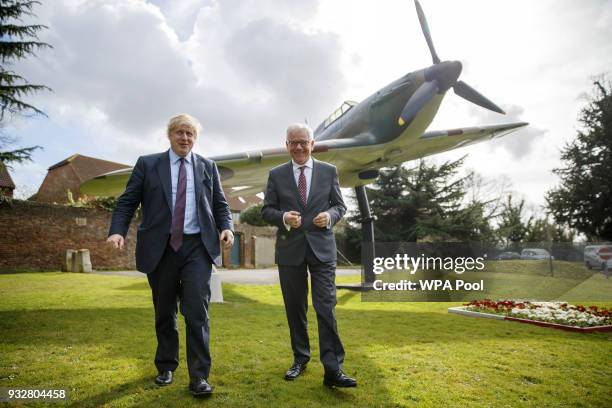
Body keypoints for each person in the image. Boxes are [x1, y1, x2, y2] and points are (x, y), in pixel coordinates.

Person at [107, 114, 233, 397]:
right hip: (161, 249)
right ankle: (166, 365)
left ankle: (199, 376)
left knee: (197, 312)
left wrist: (227, 227)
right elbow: (127, 201)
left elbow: (220, 204)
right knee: (165, 312)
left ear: (195, 138)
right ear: (170, 135)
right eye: (180, 132)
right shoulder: (148, 164)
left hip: (197, 248)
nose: (185, 138)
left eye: (190, 134)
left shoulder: (207, 167)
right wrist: (117, 231)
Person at [261, 123, 357, 388]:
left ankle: (333, 370)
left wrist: (331, 216)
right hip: (290, 251)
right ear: (287, 145)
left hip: (323, 250)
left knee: (326, 307)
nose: (299, 147)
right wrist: (282, 217)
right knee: (296, 309)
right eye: (294, 142)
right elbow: (266, 209)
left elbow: (340, 205)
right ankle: (300, 359)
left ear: (313, 144)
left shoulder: (329, 172)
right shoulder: (276, 174)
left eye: (304, 142)